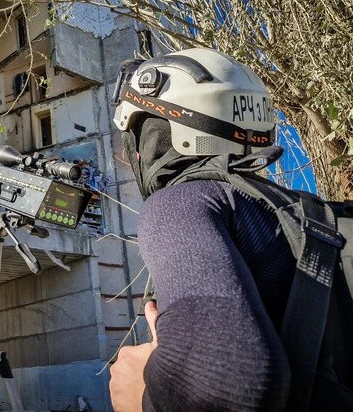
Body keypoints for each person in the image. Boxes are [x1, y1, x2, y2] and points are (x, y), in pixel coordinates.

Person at [108, 48, 293, 411]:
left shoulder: (182, 203)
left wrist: (143, 397)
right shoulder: (301, 215)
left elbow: (229, 382)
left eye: (135, 135)